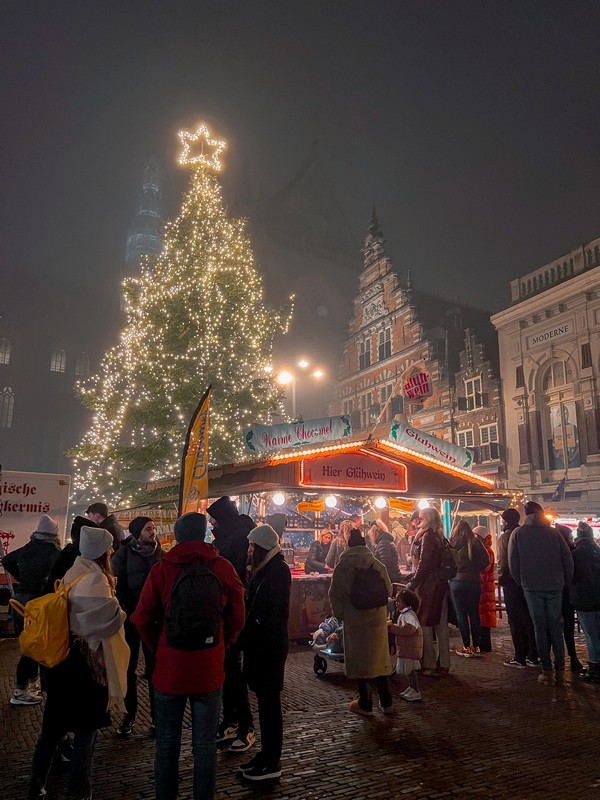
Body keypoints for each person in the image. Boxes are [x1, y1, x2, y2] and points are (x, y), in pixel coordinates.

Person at [132, 512, 245, 800]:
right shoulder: (222, 567)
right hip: (209, 668)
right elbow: (238, 615)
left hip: (170, 670)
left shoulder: (162, 569)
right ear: (204, 533)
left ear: (179, 535)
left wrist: (158, 648)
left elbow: (142, 616)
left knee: (167, 745)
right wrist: (225, 642)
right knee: (205, 747)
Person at [27, 526, 128, 800]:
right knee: (86, 734)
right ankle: (80, 792)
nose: (111, 551)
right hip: (87, 667)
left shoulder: (74, 570)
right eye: (108, 547)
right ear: (101, 552)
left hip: (63, 662)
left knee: (51, 731)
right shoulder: (96, 580)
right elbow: (110, 620)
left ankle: (36, 786)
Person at [238, 524, 291, 781]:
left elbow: (271, 612)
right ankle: (266, 755)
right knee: (265, 703)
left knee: (270, 705)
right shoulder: (265, 569)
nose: (248, 551)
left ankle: (272, 760)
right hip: (261, 647)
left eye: (251, 547)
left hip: (268, 649)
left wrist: (251, 630)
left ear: (261, 548)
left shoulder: (277, 571)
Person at [207, 496, 256, 753]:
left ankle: (244, 724)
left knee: (233, 670)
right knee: (228, 669)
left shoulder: (233, 540)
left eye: (213, 518)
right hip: (229, 612)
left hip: (233, 612)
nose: (211, 523)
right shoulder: (234, 535)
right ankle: (231, 719)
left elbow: (235, 578)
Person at [508, 500, 574, 685]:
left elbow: (513, 562)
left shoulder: (518, 533)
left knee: (539, 627)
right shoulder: (554, 533)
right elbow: (567, 559)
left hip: (531, 586)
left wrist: (522, 581)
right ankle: (560, 669)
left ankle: (547, 671)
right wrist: (564, 582)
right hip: (555, 585)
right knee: (556, 627)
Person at [329, 528, 393, 716]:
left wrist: (342, 616)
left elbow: (335, 595)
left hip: (355, 620)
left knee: (361, 661)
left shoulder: (343, 567)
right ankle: (387, 701)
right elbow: (388, 590)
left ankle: (365, 702)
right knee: (380, 659)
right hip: (377, 619)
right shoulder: (377, 564)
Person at [112, 515, 164, 737]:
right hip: (132, 618)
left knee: (155, 669)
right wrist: (131, 609)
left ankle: (156, 716)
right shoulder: (123, 554)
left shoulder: (161, 554)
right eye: (147, 529)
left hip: (154, 620)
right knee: (129, 667)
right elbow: (118, 584)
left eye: (153, 528)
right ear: (136, 532)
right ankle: (129, 713)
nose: (152, 533)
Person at [4, 514, 61, 706]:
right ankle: (20, 691)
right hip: (38, 604)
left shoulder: (28, 547)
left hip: (20, 600)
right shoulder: (54, 552)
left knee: (26, 645)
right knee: (34, 648)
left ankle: (29, 683)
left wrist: (22, 577)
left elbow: (7, 560)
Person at [408, 507, 450, 676]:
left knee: (425, 623)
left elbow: (424, 564)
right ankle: (444, 662)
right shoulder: (439, 536)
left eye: (420, 517)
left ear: (426, 519)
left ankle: (429, 663)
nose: (418, 521)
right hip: (439, 584)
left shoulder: (428, 537)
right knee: (441, 623)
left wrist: (414, 581)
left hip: (429, 586)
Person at [497, 508, 539, 669]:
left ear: (506, 521)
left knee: (515, 620)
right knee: (528, 618)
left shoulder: (505, 537)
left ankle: (519, 656)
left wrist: (501, 577)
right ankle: (533, 655)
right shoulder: (525, 533)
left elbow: (503, 561)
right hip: (527, 581)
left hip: (511, 582)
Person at [448, 520, 489, 657]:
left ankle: (466, 646)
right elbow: (486, 560)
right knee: (474, 613)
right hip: (473, 581)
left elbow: (446, 560)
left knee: (461, 614)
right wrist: (476, 569)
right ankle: (476, 646)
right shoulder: (475, 542)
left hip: (456, 581)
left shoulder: (452, 542)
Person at [569, 521, 600, 682]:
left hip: (584, 599)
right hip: (597, 597)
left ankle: (595, 666)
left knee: (591, 634)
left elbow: (571, 577)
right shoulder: (597, 551)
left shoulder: (575, 554)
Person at [555, 524, 584, 671]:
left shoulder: (553, 552)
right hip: (567, 593)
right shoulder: (572, 552)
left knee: (553, 627)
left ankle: (557, 659)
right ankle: (572, 658)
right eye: (570, 537)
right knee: (567, 627)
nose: (572, 539)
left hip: (556, 592)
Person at [389, 588, 423, 702]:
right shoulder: (406, 614)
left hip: (410, 648)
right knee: (409, 671)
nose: (396, 603)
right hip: (407, 647)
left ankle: (416, 690)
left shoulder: (409, 615)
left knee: (411, 670)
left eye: (399, 601)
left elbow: (408, 630)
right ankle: (411, 688)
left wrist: (392, 628)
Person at [474, 527, 496, 653]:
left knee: (483, 618)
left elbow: (484, 570)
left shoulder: (486, 551)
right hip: (485, 588)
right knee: (483, 617)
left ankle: (484, 645)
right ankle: (483, 645)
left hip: (484, 588)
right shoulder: (487, 550)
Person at [369, 520, 401, 584]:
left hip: (389, 579)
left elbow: (385, 565)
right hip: (392, 577)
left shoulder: (383, 543)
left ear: (375, 533)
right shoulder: (386, 541)